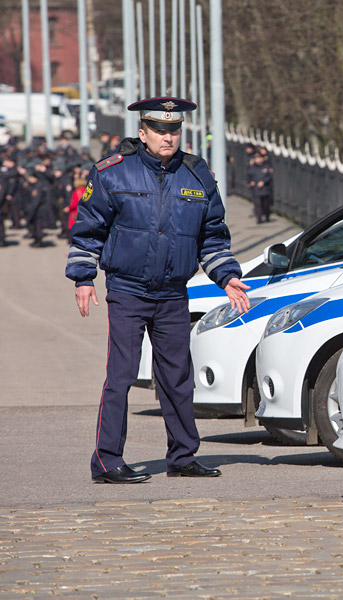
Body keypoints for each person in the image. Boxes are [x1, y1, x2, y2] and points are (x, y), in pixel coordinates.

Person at [66, 97, 251, 484]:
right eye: (160, 130)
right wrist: (84, 279)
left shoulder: (197, 174)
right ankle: (107, 460)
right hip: (127, 289)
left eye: (174, 130)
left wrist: (227, 276)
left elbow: (212, 237)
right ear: (143, 132)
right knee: (122, 375)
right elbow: (88, 230)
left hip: (172, 293)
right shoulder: (112, 173)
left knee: (178, 377)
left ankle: (182, 457)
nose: (168, 137)